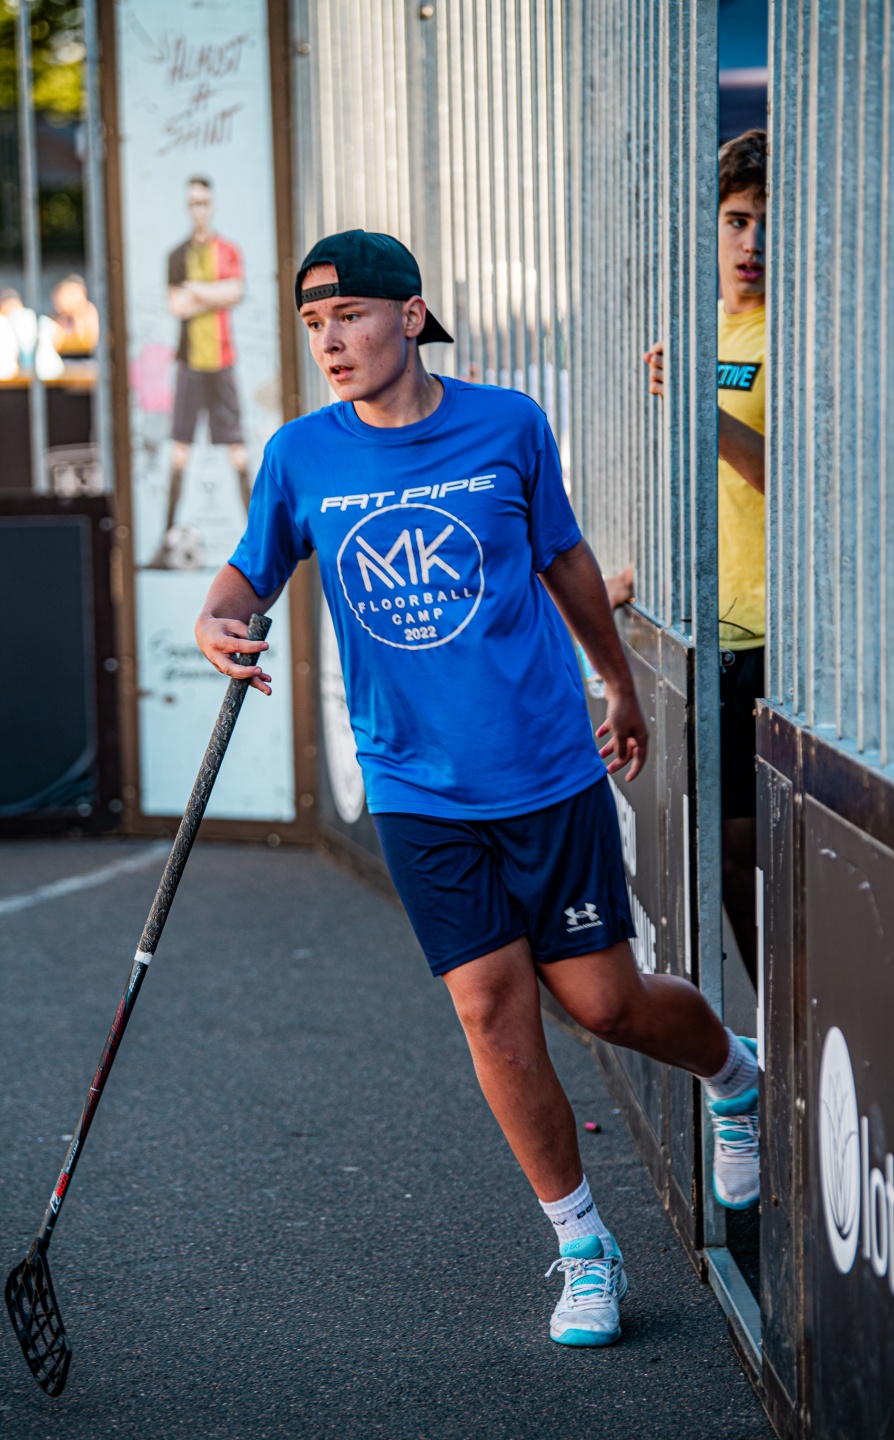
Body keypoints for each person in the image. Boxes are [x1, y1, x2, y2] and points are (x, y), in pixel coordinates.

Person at [195, 229, 760, 1348]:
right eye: (313, 325)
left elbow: (567, 560)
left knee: (603, 1005)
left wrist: (619, 684)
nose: (330, 343)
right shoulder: (302, 456)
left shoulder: (508, 424)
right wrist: (215, 623)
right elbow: (246, 578)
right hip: (415, 786)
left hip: (546, 771)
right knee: (491, 1010)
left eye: (349, 316)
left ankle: (732, 1074)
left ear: (411, 317)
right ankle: (584, 1247)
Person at [612, 129, 766, 991]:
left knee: (774, 851)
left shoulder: (798, 334)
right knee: (729, 853)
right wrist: (646, 570)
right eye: (737, 220)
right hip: (711, 628)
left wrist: (705, 406)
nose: (752, 242)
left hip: (782, 634)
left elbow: (793, 481)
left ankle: (791, 1037)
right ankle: (771, 1038)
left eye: (768, 223)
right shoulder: (698, 334)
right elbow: (689, 486)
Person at [148, 175, 250, 568]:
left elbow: (235, 292)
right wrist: (215, 293)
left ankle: (260, 541)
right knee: (179, 453)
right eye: (193, 203)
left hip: (222, 363)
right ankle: (164, 541)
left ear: (213, 205)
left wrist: (196, 290)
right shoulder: (177, 254)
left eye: (204, 202)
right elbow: (176, 305)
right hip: (189, 365)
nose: (199, 210)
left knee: (238, 452)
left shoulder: (228, 250)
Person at [50, 273, 100, 357]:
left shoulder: (89, 312)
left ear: (82, 292)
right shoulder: (56, 317)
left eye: (67, 293)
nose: (60, 299)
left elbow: (93, 342)